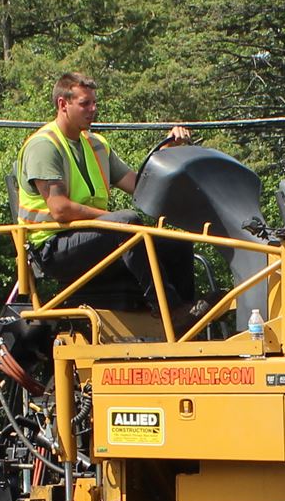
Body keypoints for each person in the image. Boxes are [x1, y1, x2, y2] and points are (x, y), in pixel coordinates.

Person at [19, 73, 200, 319]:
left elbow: (140, 186)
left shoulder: (97, 145)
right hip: (52, 247)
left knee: (177, 244)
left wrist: (167, 150)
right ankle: (170, 310)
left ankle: (188, 320)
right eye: (85, 104)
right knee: (127, 223)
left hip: (91, 236)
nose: (93, 109)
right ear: (63, 104)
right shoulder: (44, 146)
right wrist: (113, 220)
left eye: (94, 103)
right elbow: (60, 209)